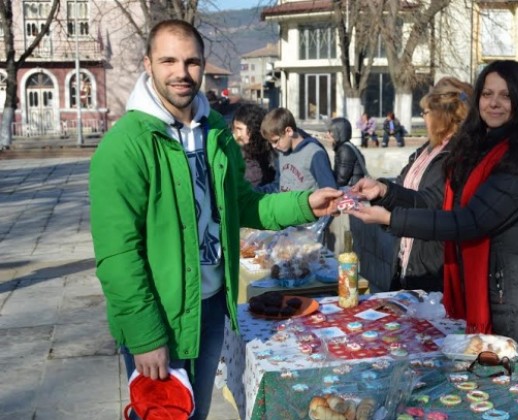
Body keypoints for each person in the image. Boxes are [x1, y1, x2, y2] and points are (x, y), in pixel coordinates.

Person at [88, 20, 342, 420]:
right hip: (162, 316)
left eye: (191, 61)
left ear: (203, 65)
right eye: (168, 60)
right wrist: (145, 335)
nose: (181, 72)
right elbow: (117, 256)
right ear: (147, 64)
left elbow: (244, 205)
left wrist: (307, 203)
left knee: (196, 413)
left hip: (209, 308)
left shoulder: (214, 133)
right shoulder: (125, 145)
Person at [348, 60, 518, 369]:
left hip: (517, 302)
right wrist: (386, 192)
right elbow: (437, 203)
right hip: (485, 291)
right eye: (487, 94)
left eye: (506, 95)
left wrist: (390, 219)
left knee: (516, 398)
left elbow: (472, 221)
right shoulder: (477, 149)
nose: (494, 103)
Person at [379, 77, 472, 292]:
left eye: (426, 112)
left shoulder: (458, 156)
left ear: (441, 116)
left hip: (434, 271)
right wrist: (378, 191)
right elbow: (401, 187)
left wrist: (387, 207)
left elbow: (431, 203)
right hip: (407, 263)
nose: (423, 118)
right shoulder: (426, 150)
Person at [261, 107, 337, 192]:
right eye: (270, 142)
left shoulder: (314, 153)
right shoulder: (281, 153)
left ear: (289, 131)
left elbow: (329, 191)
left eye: (275, 141)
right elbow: (278, 185)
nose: (273, 146)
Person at [231, 103, 278, 191]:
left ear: (253, 128)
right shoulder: (237, 151)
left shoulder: (274, 146)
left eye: (239, 129)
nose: (236, 134)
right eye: (234, 129)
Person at [327, 117, 367, 187]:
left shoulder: (345, 150)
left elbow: (341, 180)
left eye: (330, 131)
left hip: (351, 191)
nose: (327, 134)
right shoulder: (345, 148)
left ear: (338, 132)